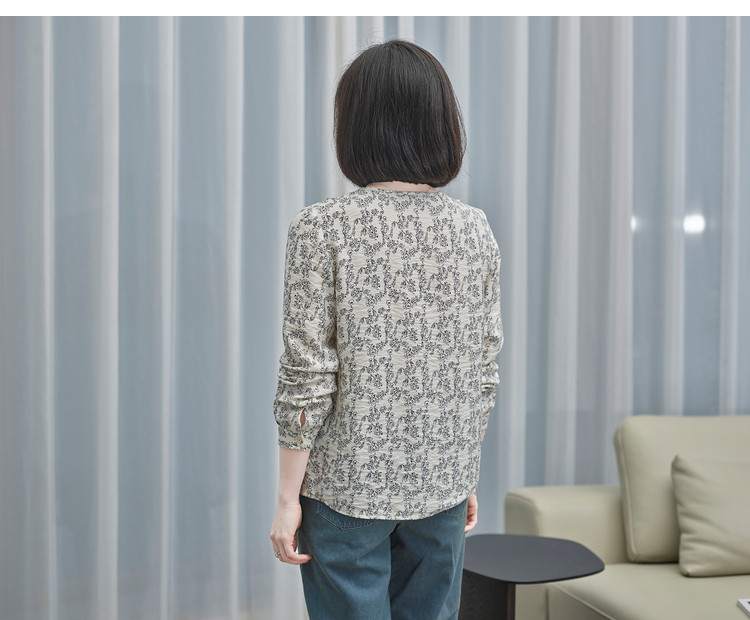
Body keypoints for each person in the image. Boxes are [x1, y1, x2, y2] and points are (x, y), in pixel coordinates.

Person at [269, 38, 504, 620]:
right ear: (442, 125)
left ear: (355, 127)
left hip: (345, 489)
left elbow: (307, 374)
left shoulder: (321, 228)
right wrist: (464, 473)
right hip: (442, 484)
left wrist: (287, 499)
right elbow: (480, 372)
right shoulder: (474, 231)